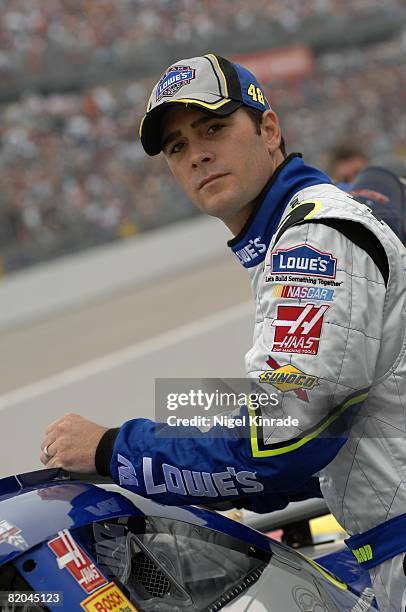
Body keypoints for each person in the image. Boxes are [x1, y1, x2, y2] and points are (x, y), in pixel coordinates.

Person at [40, 54, 406, 611]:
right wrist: (208, 487)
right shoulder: (300, 230)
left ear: (268, 129)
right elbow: (341, 441)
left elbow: (286, 440)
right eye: (177, 147)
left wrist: (116, 448)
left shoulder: (313, 240)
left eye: (213, 127)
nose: (198, 154)